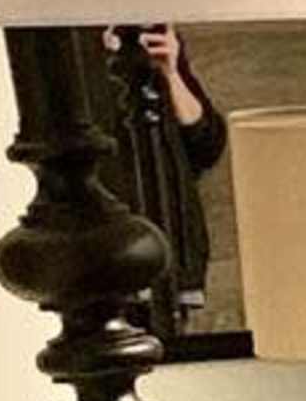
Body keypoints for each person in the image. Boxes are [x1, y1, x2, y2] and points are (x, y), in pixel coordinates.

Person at [99, 25, 231, 329]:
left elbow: (207, 144)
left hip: (173, 249)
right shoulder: (78, 51)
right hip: (113, 255)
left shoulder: (154, 45)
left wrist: (172, 73)